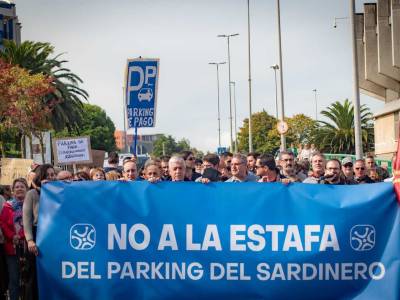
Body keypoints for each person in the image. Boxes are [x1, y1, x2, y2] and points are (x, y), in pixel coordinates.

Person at [23, 164, 56, 300]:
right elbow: (27, 218)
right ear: (41, 177)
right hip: (37, 235)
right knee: (34, 274)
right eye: (48, 175)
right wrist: (30, 240)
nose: (51, 177)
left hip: (53, 236)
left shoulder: (58, 193)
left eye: (53, 174)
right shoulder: (32, 194)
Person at [0, 178, 28, 300]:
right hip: (12, 247)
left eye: (22, 186)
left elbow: (30, 222)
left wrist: (20, 235)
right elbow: (2, 223)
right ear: (12, 190)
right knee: (14, 278)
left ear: (26, 189)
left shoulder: (30, 203)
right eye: (17, 187)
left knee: (28, 277)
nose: (19, 189)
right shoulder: (7, 205)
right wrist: (12, 236)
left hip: (28, 246)